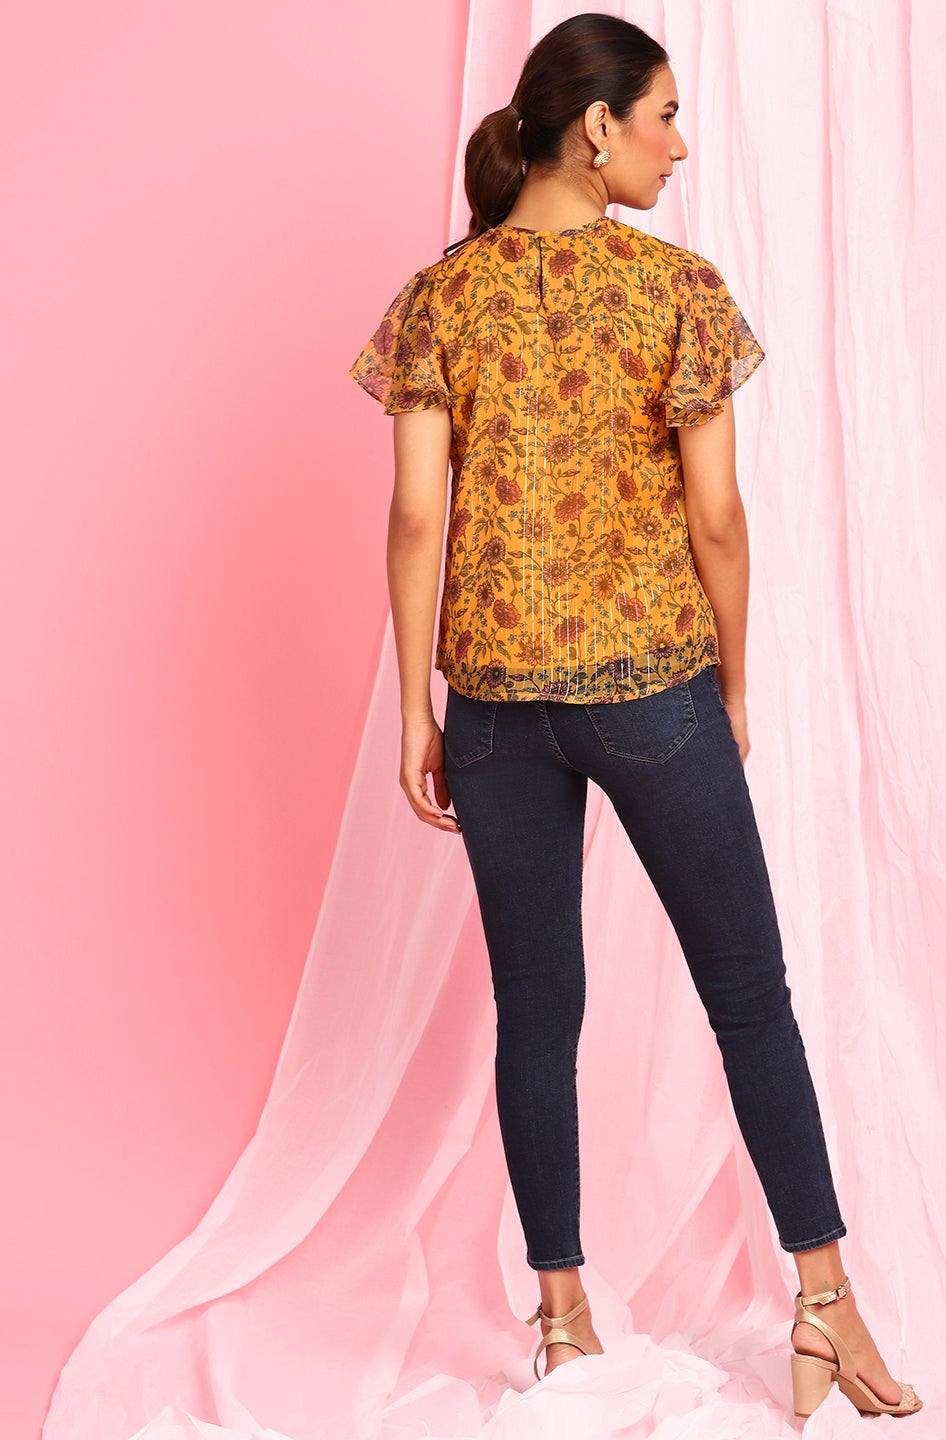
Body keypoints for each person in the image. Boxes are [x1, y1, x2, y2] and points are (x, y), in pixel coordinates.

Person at [347, 11, 921, 1419]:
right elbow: (717, 517)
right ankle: (824, 1305)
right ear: (596, 126)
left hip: (492, 711)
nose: (680, 145)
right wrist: (734, 678)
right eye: (664, 114)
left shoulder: (441, 298)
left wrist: (419, 706)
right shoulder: (675, 291)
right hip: (655, 692)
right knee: (749, 996)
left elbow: (416, 515)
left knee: (536, 1012)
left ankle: (562, 1320)